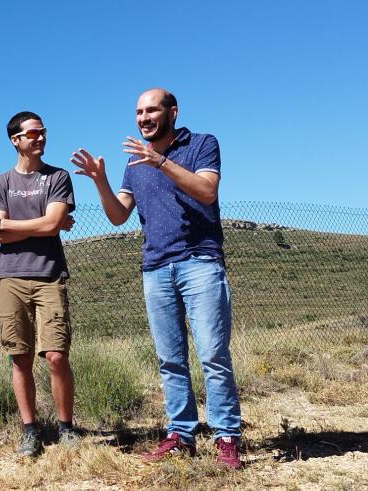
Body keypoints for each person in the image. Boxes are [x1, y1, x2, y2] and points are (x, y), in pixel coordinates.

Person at [71, 88, 242, 469]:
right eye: (138, 112)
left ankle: (226, 436)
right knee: (170, 359)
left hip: (199, 261)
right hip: (155, 268)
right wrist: (99, 181)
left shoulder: (201, 144)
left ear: (172, 112)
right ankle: (181, 435)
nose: (144, 117)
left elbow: (207, 191)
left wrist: (161, 162)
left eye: (151, 110)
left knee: (213, 353)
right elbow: (118, 215)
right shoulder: (134, 163)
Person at [0, 111, 78, 457]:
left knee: (55, 355)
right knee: (19, 357)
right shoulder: (0, 183)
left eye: (43, 133)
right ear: (16, 140)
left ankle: (65, 427)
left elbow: (51, 225)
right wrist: (44, 223)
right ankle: (30, 430)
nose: (40, 138)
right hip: (10, 277)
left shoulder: (58, 177)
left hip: (49, 275)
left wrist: (12, 226)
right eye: (33, 133)